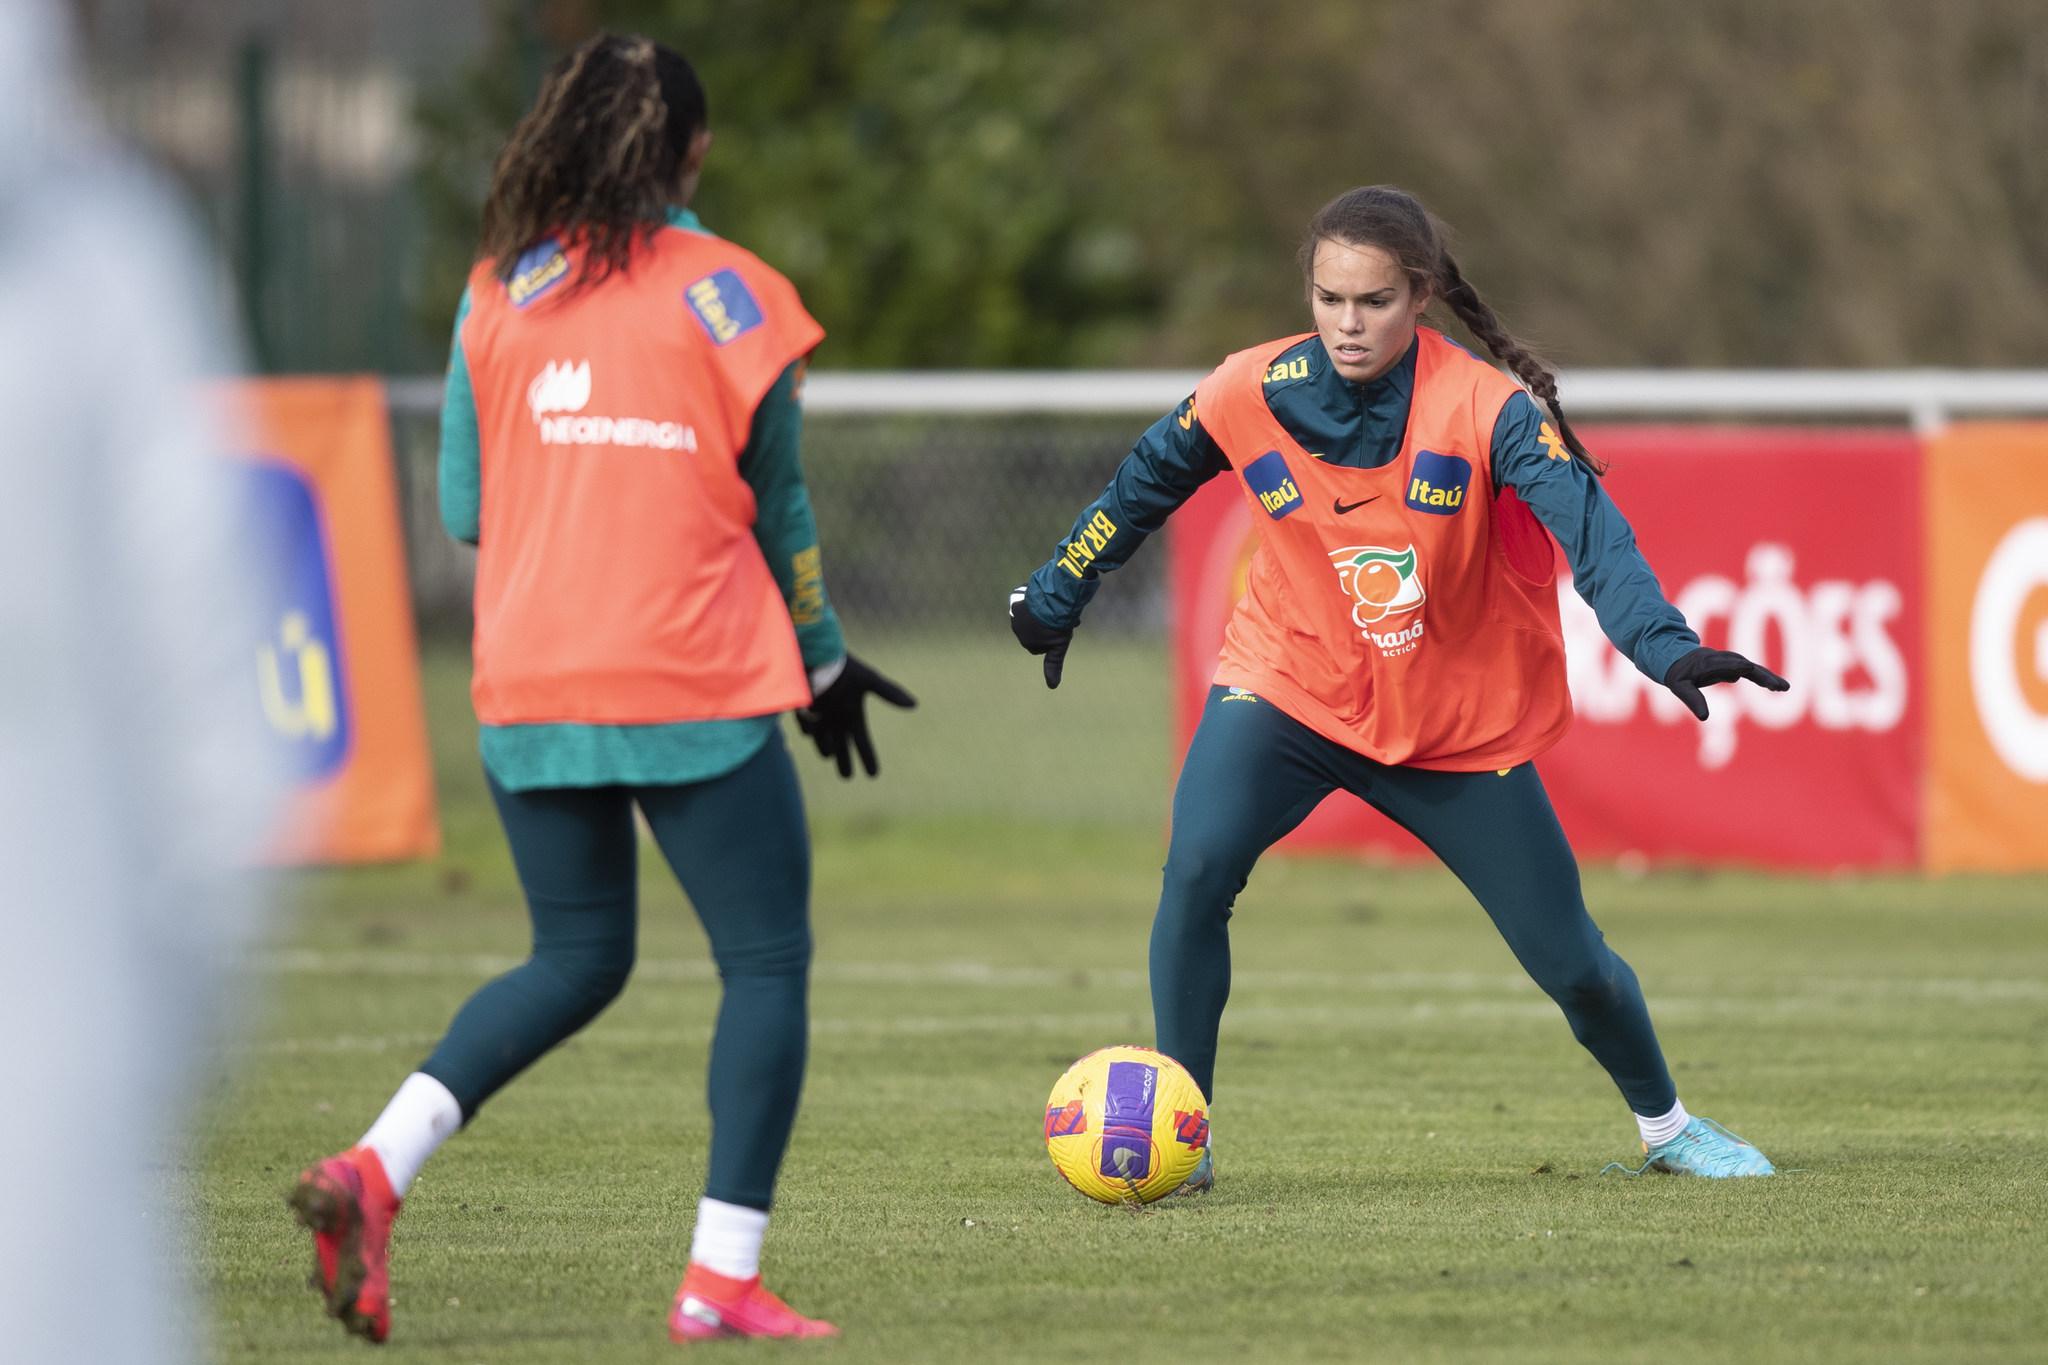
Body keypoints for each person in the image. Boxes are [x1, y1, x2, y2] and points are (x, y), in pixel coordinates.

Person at [289, 34, 911, 1346]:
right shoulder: (737, 297)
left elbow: (464, 508)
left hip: (529, 681)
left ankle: (375, 1168)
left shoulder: (494, 296)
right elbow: (781, 507)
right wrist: (825, 659)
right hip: (687, 672)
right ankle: (719, 1278)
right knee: (765, 959)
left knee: (574, 955)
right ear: (691, 151)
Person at [1010, 185, 1787, 1189]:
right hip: (1286, 689)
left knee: (1574, 966)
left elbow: (1589, 533)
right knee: (1196, 869)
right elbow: (1137, 487)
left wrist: (1664, 645)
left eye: (1371, 301)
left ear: (1416, 296)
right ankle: (1183, 1139)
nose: (1345, 322)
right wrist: (1059, 587)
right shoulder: (1246, 389)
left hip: (1449, 723)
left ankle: (1668, 1128)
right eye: (1328, 298)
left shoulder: (1485, 409)